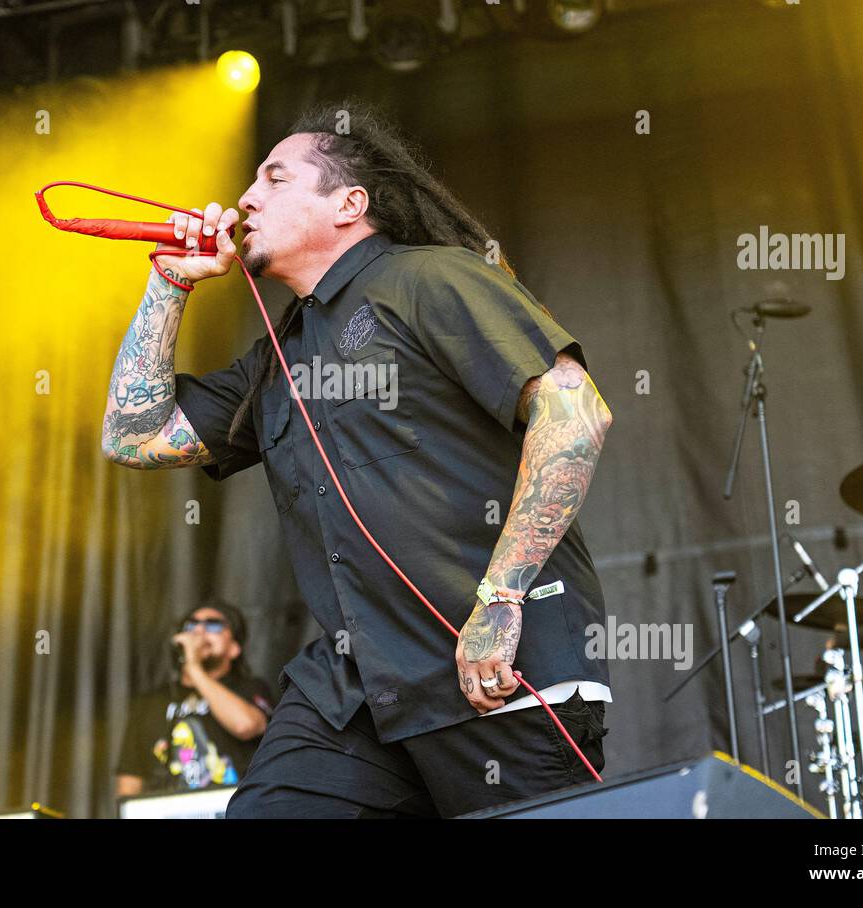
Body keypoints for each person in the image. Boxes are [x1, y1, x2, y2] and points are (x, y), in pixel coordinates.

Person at [101, 99, 614, 818]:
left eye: (274, 179)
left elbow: (577, 414)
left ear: (349, 203)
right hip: (355, 690)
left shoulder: (431, 279)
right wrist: (170, 282)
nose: (245, 197)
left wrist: (501, 598)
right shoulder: (278, 360)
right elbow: (132, 436)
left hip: (500, 666)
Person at [114, 601, 274, 798]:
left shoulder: (250, 689)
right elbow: (129, 782)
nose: (198, 631)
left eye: (213, 625)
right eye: (191, 625)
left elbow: (246, 726)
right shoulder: (149, 703)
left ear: (234, 648)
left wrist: (193, 667)